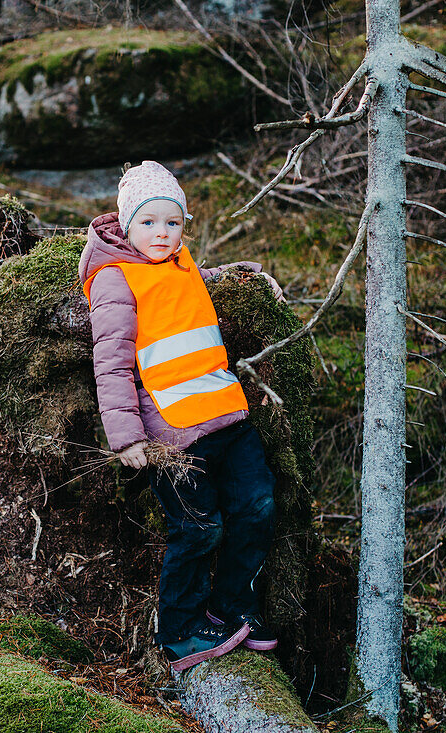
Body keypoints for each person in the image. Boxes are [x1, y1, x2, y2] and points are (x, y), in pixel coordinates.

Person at [78, 161, 286, 672]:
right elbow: (110, 360)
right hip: (173, 432)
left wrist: (243, 277)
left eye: (172, 222)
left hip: (226, 414)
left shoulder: (180, 261)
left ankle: (233, 605)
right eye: (149, 223)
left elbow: (192, 289)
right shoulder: (113, 278)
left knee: (257, 506)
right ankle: (178, 630)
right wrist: (125, 437)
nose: (162, 233)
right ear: (127, 225)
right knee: (198, 531)